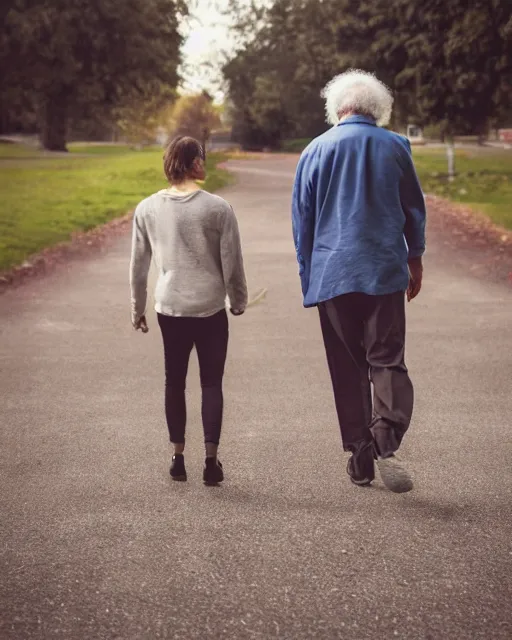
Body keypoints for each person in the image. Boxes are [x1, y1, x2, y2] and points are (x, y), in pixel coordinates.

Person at [292, 70, 426, 493]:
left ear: (338, 109)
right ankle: (386, 440)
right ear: (377, 109)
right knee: (385, 358)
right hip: (383, 270)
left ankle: (361, 458)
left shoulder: (314, 150)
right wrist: (415, 260)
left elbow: (303, 224)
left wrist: (308, 279)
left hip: (332, 274)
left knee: (348, 367)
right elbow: (413, 210)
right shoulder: (396, 146)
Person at [130, 136, 247, 485]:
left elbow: (139, 265)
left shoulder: (147, 208)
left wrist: (138, 308)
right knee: (211, 382)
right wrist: (237, 300)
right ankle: (211, 463)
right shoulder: (217, 208)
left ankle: (177, 458)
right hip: (210, 307)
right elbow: (232, 262)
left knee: (174, 381)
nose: (205, 164)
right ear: (193, 163)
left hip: (170, 307)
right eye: (203, 158)